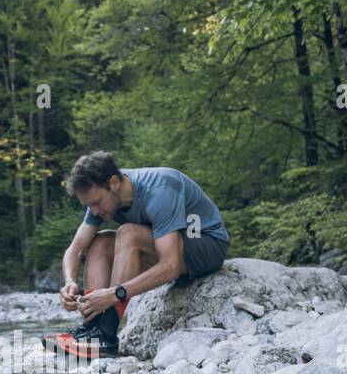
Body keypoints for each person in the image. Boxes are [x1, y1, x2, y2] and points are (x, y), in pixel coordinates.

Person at [43, 151, 231, 359]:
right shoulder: (102, 196)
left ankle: (106, 334)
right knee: (100, 241)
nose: (94, 211)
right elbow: (75, 249)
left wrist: (115, 293)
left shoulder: (160, 189)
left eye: (96, 203)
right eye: (89, 205)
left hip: (207, 245)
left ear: (114, 182)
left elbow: (171, 266)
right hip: (167, 246)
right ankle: (91, 329)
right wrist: (70, 282)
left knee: (128, 233)